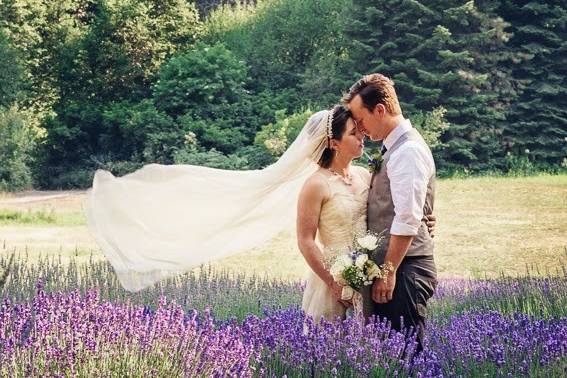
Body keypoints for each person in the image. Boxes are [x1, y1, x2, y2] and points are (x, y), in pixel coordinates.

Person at [297, 104, 436, 324]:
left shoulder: (364, 176)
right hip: (334, 278)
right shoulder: (315, 185)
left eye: (359, 130)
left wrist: (422, 220)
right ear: (334, 144)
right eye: (353, 133)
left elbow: (393, 207)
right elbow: (305, 240)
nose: (362, 135)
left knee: (369, 346)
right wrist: (333, 283)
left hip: (368, 275)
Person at [344, 73, 438, 352]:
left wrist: (388, 271)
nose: (360, 128)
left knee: (408, 356)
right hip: (398, 267)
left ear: (380, 110)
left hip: (406, 269)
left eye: (361, 119)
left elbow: (407, 217)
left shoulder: (407, 150)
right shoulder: (393, 148)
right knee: (393, 356)